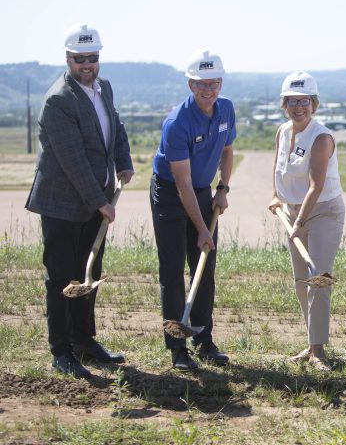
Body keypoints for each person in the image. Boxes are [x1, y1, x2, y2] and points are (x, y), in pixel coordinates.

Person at [26, 23, 134, 379]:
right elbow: (72, 160)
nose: (87, 65)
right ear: (68, 59)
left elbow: (115, 127)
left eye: (92, 58)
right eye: (80, 59)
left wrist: (124, 162)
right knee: (61, 277)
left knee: (88, 274)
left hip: (95, 199)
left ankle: (85, 341)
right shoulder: (59, 99)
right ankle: (62, 350)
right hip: (62, 203)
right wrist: (100, 202)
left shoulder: (104, 89)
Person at [150, 49, 236, 371]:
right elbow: (182, 184)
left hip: (202, 191)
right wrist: (201, 228)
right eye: (201, 84)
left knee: (204, 265)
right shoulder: (177, 123)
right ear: (190, 85)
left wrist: (222, 188)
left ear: (220, 83)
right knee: (173, 271)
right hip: (171, 193)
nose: (208, 90)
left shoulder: (226, 110)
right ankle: (177, 348)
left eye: (214, 83)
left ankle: (203, 340)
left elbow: (228, 151)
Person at [268, 71, 345, 371]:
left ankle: (319, 351)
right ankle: (311, 343)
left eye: (304, 101)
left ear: (314, 103)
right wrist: (276, 196)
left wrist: (299, 221)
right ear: (283, 104)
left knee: (319, 279)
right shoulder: (282, 131)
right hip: (293, 213)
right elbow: (277, 168)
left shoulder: (321, 137)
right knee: (302, 284)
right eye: (292, 101)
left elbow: (316, 185)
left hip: (323, 212)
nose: (298, 107)